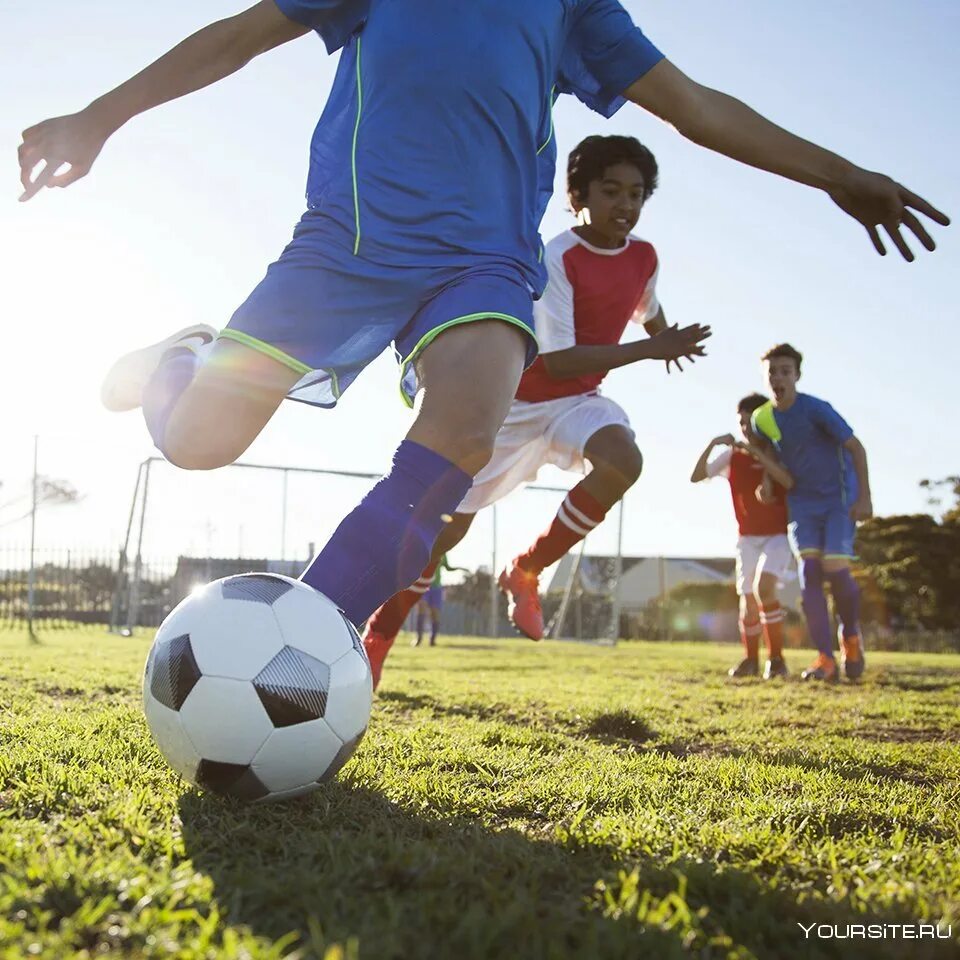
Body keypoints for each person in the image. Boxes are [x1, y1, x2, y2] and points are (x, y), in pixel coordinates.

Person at [18, 1, 948, 639]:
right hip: (344, 246)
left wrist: (841, 174)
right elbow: (237, 38)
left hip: (484, 261)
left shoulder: (577, 6)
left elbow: (698, 108)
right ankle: (185, 360)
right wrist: (100, 117)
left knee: (463, 433)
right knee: (198, 444)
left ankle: (310, 637)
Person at [362, 134, 711, 687]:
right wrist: (651, 349)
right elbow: (564, 358)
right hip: (515, 403)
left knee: (624, 460)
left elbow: (648, 307)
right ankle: (379, 636)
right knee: (444, 536)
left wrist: (668, 337)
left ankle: (526, 571)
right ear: (579, 196)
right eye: (610, 191)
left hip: (575, 403)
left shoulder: (644, 256)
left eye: (637, 194)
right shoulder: (558, 256)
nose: (625, 204)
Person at [751, 344, 870, 682]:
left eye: (785, 371)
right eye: (772, 371)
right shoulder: (763, 417)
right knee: (810, 573)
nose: (778, 377)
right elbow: (768, 450)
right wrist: (768, 483)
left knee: (834, 566)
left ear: (797, 376)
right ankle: (824, 658)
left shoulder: (817, 410)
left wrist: (866, 499)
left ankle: (850, 636)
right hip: (802, 503)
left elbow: (856, 447)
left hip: (838, 499)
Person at [691, 393, 794, 680]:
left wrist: (761, 456)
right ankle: (751, 660)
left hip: (777, 536)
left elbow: (789, 482)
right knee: (747, 599)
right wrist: (713, 444)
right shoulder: (732, 456)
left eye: (751, 423)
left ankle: (776, 659)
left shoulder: (779, 452)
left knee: (766, 589)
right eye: (742, 424)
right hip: (746, 538)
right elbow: (697, 476)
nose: (746, 430)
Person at [410, 554, 465, 647]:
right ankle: (418, 638)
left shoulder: (443, 552)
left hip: (436, 588)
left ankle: (432, 640)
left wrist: (459, 568)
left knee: (435, 614)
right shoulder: (424, 547)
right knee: (421, 608)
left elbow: (447, 567)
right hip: (423, 585)